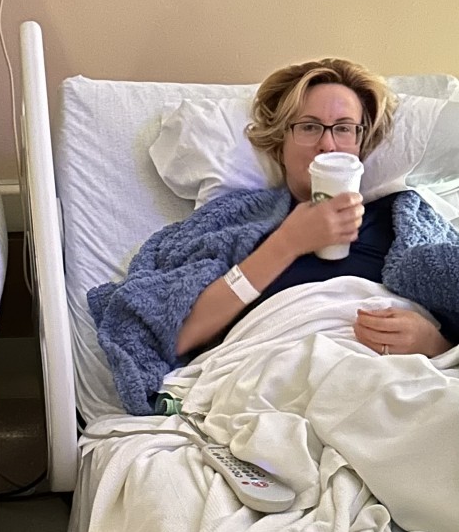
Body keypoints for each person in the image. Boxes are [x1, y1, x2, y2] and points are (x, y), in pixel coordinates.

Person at [175, 57, 454, 360]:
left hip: (402, 379)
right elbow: (180, 336)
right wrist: (287, 244)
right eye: (309, 127)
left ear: (362, 143)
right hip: (275, 371)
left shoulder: (404, 223)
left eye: (344, 129)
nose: (328, 145)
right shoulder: (235, 222)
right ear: (280, 142)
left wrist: (434, 343)